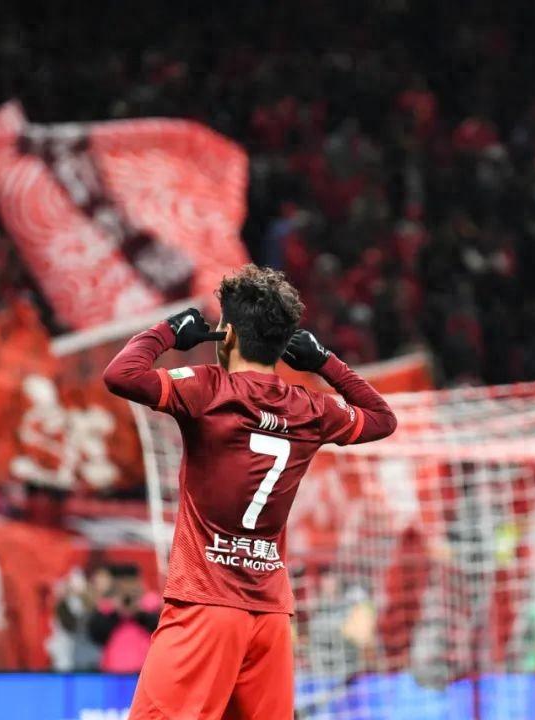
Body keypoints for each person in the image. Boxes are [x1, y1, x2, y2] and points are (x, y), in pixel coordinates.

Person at [103, 264, 397, 720]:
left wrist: (167, 332)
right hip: (270, 619)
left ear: (228, 335)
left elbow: (121, 374)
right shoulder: (311, 408)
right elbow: (381, 419)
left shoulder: (207, 389)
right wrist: (325, 362)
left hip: (205, 607)